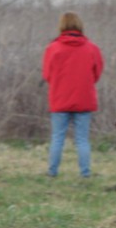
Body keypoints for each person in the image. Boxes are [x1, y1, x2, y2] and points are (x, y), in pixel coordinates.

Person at [42, 12, 104, 178]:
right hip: (84, 99)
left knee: (57, 138)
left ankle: (52, 172)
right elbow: (97, 73)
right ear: (79, 26)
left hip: (60, 99)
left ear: (61, 26)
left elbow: (47, 74)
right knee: (82, 139)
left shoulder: (52, 48)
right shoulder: (92, 48)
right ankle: (85, 173)